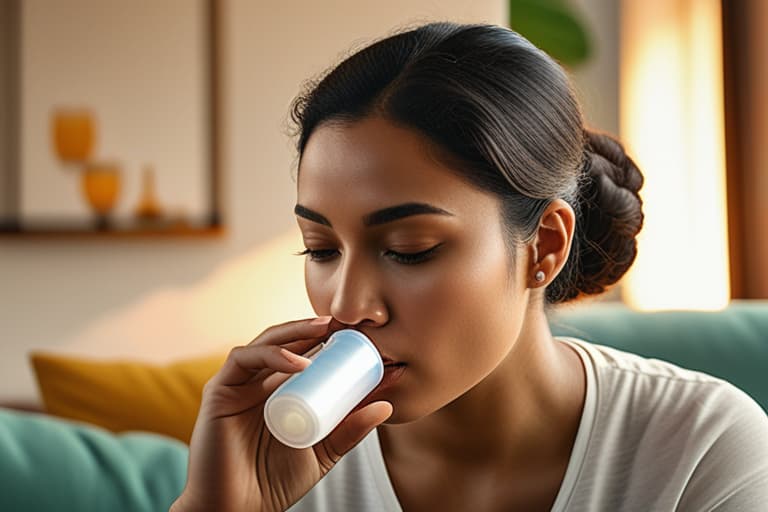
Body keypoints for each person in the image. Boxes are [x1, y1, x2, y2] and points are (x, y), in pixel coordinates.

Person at [171, 22, 768, 512]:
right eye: (321, 249)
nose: (347, 307)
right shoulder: (284, 465)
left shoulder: (701, 452)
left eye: (410, 249)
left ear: (544, 247)